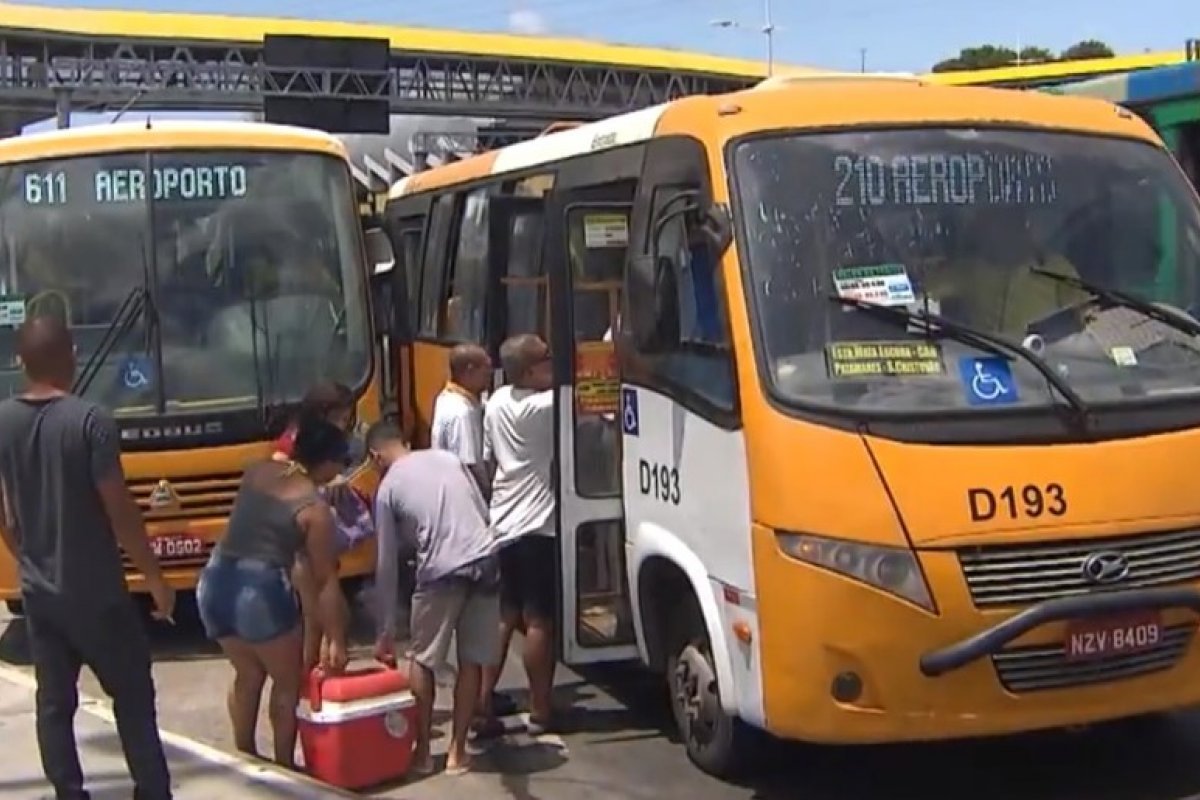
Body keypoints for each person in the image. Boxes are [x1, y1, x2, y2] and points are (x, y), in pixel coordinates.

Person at [0, 315, 175, 800]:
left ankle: (69, 793)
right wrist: (155, 579)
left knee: (54, 704)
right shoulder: (91, 421)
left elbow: (3, 511)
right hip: (98, 593)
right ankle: (153, 792)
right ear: (70, 357)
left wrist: (26, 555)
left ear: (22, 363)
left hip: (41, 594)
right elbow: (119, 510)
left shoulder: (3, 422)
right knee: (133, 697)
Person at [196, 412, 350, 770]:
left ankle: (244, 757)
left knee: (247, 674)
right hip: (258, 588)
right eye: (338, 463)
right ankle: (284, 769)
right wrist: (337, 638)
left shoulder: (257, 471)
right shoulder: (315, 509)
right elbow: (325, 580)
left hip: (214, 580)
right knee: (286, 682)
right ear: (326, 461)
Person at [367, 420, 500, 775]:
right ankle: (458, 753)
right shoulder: (447, 458)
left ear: (375, 456)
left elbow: (386, 562)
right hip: (485, 559)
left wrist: (385, 629)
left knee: (423, 661)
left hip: (440, 572)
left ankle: (424, 752)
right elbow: (482, 513)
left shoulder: (387, 488)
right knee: (471, 661)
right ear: (405, 442)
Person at [476, 333, 557, 737]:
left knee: (504, 616)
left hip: (503, 521)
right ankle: (542, 709)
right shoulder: (545, 407)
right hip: (537, 526)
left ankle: (481, 701)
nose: (553, 364)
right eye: (547, 359)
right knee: (539, 619)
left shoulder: (495, 402)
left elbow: (490, 461)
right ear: (529, 370)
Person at [430, 343, 493, 492]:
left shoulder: (446, 397)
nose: (490, 375)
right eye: (486, 370)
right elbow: (469, 466)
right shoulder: (461, 413)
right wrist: (488, 491)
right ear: (469, 371)